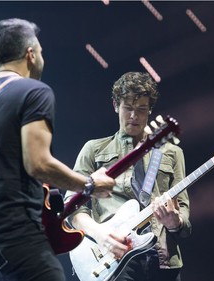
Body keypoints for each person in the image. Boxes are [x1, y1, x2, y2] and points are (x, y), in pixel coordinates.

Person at [0, 18, 115, 281]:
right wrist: (90, 184)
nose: (42, 59)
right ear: (30, 54)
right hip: (17, 237)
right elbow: (38, 164)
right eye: (41, 52)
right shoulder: (33, 92)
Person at [66, 72, 192, 281]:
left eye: (141, 109)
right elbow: (73, 207)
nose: (134, 116)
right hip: (112, 258)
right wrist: (100, 234)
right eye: (128, 108)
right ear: (115, 105)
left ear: (150, 110)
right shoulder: (93, 150)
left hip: (162, 260)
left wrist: (175, 222)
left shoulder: (171, 152)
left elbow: (184, 214)